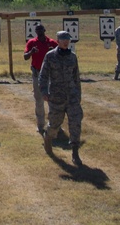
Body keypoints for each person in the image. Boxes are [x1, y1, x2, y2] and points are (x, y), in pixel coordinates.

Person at [40, 30, 82, 165]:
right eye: (63, 39)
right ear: (57, 41)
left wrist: (78, 95)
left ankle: (75, 152)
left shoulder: (73, 57)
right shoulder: (50, 56)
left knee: (75, 123)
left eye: (67, 39)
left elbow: (76, 78)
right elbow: (43, 75)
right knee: (55, 124)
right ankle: (48, 139)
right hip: (56, 97)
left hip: (72, 96)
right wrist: (44, 91)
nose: (66, 41)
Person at [24, 24, 58, 134]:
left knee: (52, 99)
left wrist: (54, 51)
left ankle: (54, 123)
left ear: (44, 30)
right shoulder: (32, 42)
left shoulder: (52, 42)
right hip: (37, 73)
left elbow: (62, 54)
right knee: (39, 99)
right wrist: (31, 52)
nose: (39, 31)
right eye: (37, 30)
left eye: (41, 29)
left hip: (50, 74)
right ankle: (40, 124)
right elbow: (25, 57)